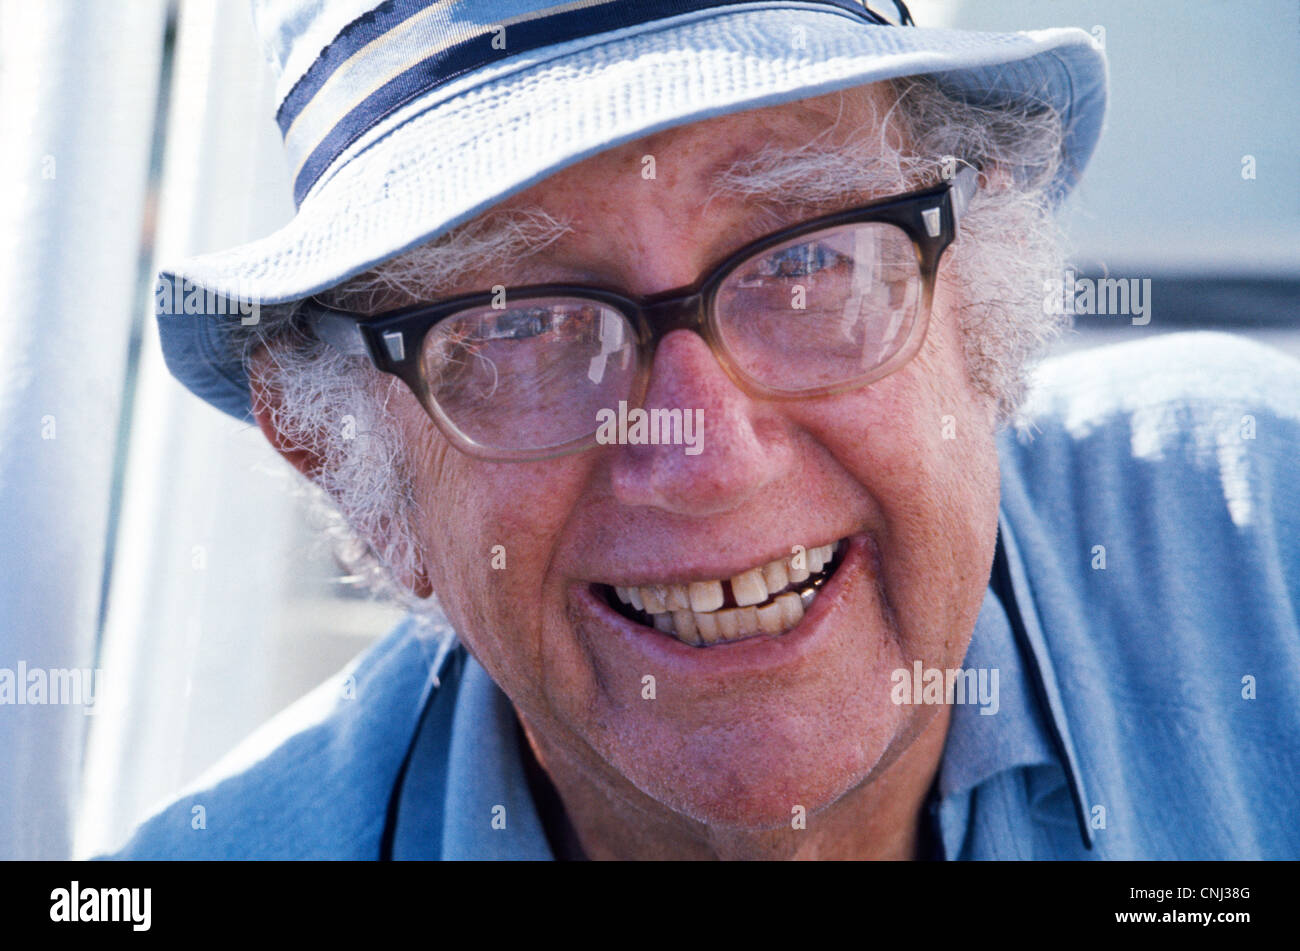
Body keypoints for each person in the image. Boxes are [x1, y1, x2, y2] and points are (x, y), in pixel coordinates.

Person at [108, 0, 1300, 860]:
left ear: (978, 324)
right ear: (360, 472)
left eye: (812, 260)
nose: (703, 455)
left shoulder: (1263, 537)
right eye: (516, 328)